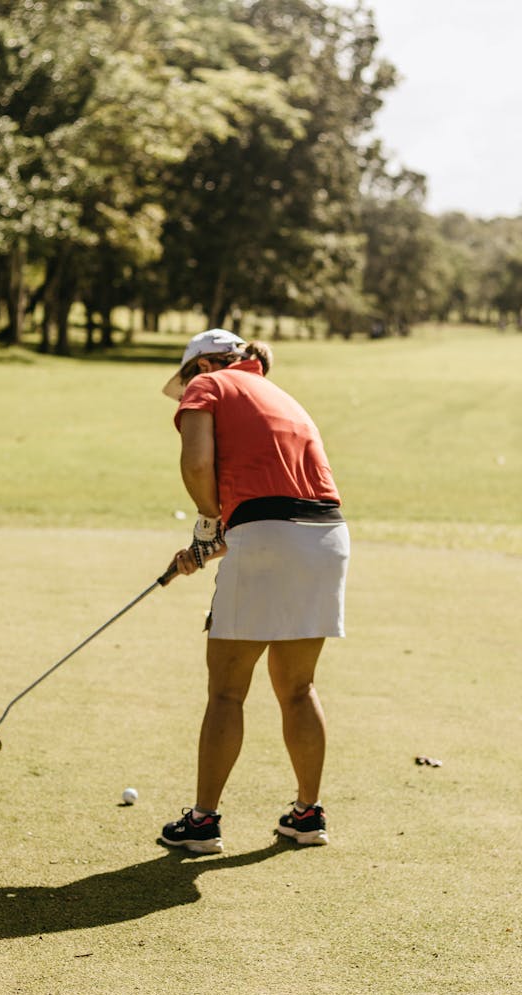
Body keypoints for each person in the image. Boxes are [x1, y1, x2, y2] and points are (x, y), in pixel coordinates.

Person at [160, 328, 350, 854]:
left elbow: (198, 465)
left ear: (203, 365)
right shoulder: (281, 397)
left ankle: (202, 823)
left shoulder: (210, 385)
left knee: (227, 689)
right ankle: (307, 816)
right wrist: (211, 546)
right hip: (327, 538)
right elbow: (276, 504)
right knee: (298, 687)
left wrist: (206, 522)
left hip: (267, 537)